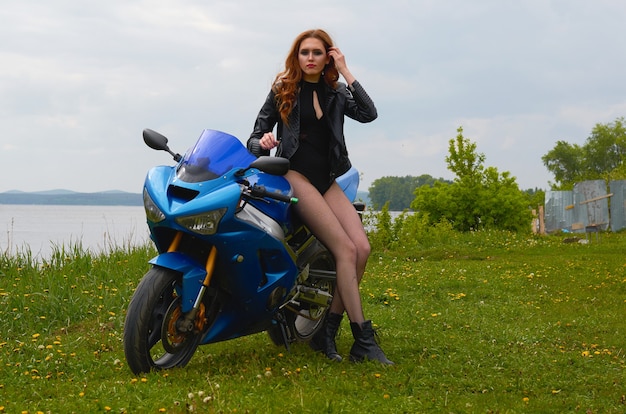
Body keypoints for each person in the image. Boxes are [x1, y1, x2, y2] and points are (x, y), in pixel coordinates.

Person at [247, 29, 393, 365]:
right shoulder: (283, 89)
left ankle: (327, 331)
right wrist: (265, 143)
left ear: (328, 56)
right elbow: (254, 137)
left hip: (327, 180)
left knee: (362, 249)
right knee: (345, 249)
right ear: (296, 57)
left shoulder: (335, 92)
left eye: (317, 52)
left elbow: (369, 114)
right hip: (294, 176)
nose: (310, 58)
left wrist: (345, 70)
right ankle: (362, 340)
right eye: (304, 52)